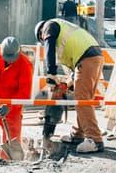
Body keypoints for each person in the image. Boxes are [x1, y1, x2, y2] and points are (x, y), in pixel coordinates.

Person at [35, 18, 105, 153]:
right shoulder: (65, 34)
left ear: (40, 33)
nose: (44, 40)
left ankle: (95, 140)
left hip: (86, 57)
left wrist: (51, 73)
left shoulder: (49, 25)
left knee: (82, 99)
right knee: (83, 99)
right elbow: (74, 72)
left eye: (42, 39)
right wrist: (66, 85)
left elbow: (49, 44)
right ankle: (78, 134)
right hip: (93, 56)